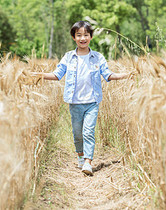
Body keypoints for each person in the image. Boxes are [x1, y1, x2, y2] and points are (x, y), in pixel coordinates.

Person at [32, 21, 128, 176]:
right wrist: (41, 75)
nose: (82, 38)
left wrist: (123, 75)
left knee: (88, 132)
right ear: (73, 37)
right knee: (77, 133)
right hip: (75, 102)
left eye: (86, 35)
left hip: (92, 102)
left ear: (90, 36)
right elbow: (57, 75)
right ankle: (81, 156)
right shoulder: (68, 57)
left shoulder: (97, 57)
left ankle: (88, 162)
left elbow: (108, 74)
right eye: (79, 35)